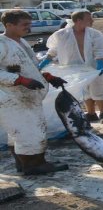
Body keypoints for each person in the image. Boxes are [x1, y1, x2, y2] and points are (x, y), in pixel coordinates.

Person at [0, 10, 69, 175]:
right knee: (30, 131)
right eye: (24, 25)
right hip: (12, 97)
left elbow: (29, 66)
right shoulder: (2, 44)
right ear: (9, 25)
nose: (29, 28)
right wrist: (19, 80)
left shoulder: (21, 42)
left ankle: (22, 163)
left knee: (19, 132)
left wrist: (48, 76)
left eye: (29, 24)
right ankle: (34, 165)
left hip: (25, 97)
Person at [40, 11, 103, 124]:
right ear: (78, 20)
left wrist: (100, 63)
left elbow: (99, 50)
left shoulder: (95, 34)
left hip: (94, 67)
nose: (92, 21)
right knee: (84, 90)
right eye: (89, 19)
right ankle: (91, 114)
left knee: (98, 89)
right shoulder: (61, 34)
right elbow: (53, 50)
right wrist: (45, 61)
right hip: (75, 67)